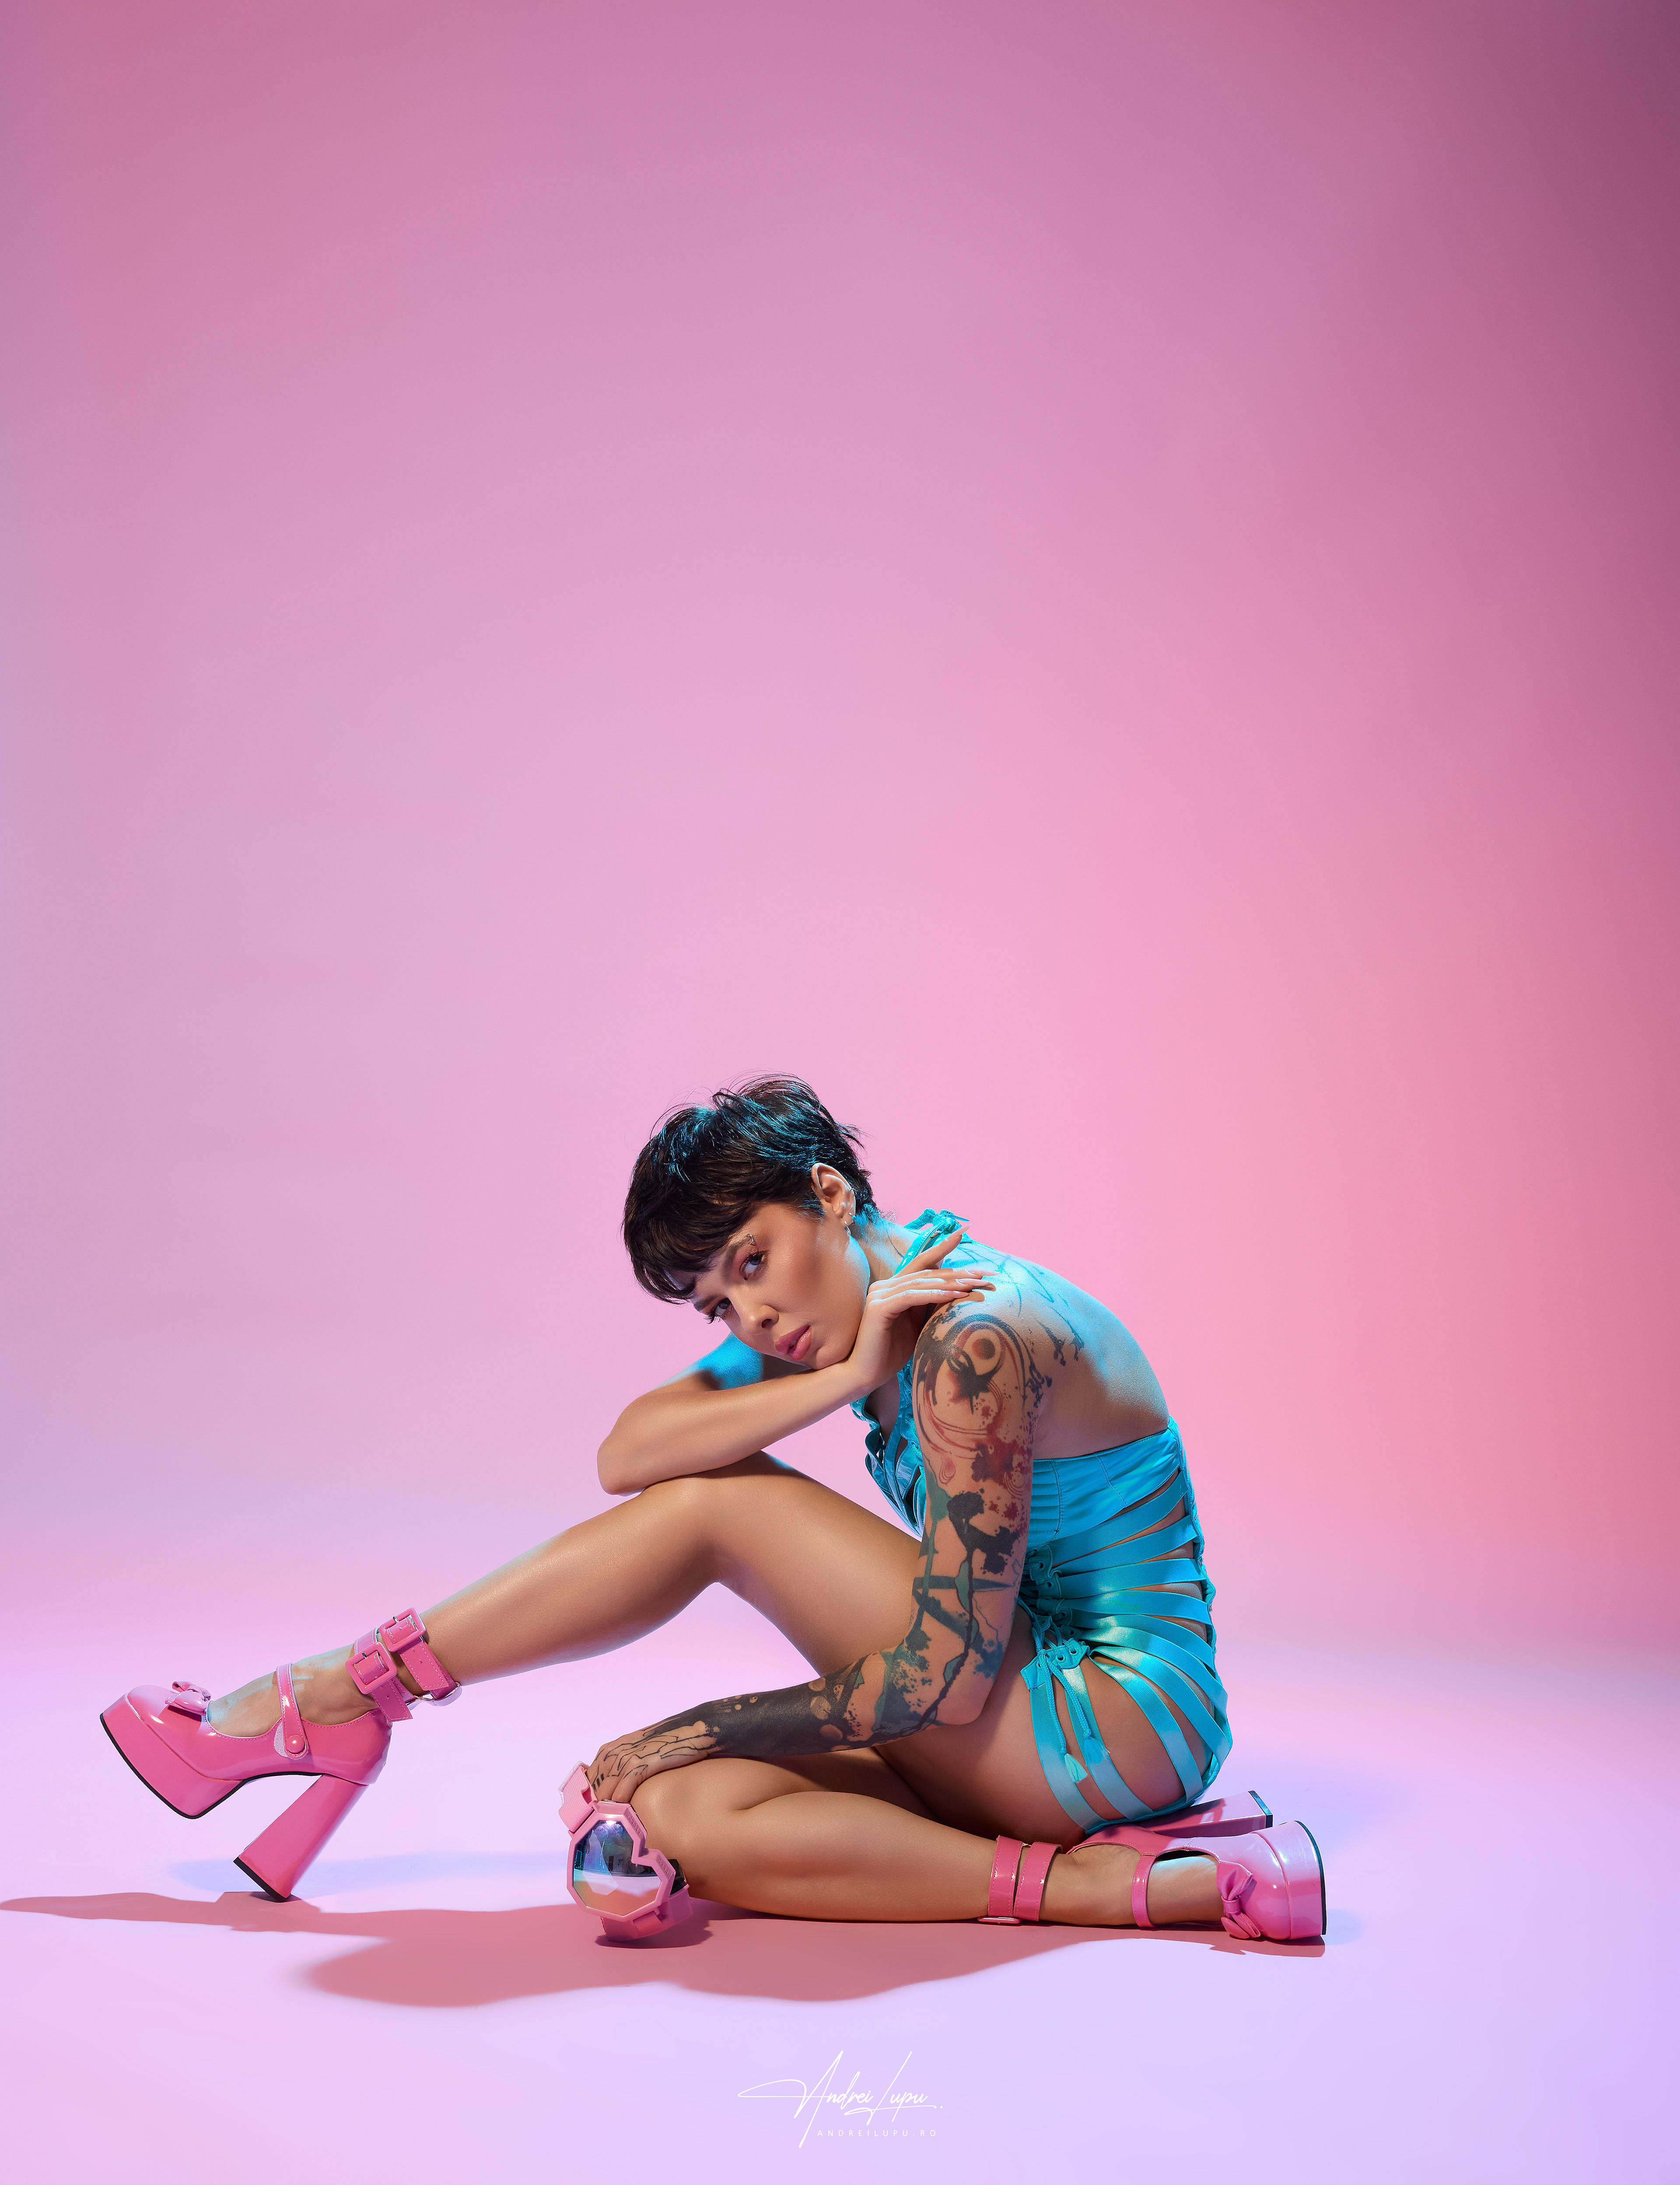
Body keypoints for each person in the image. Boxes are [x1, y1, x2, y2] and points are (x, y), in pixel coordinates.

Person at [103, 1078, 1323, 1938]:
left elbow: (946, 1678)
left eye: (753, 1260)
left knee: (724, 1511)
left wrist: (698, 1720)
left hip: (1112, 1716)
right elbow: (628, 1453)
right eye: (718, 1306)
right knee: (676, 1811)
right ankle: (1121, 1891)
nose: (755, 1319)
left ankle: (343, 1694)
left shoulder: (974, 1337)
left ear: (831, 1193)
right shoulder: (855, 1320)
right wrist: (841, 1377)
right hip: (1021, 1721)